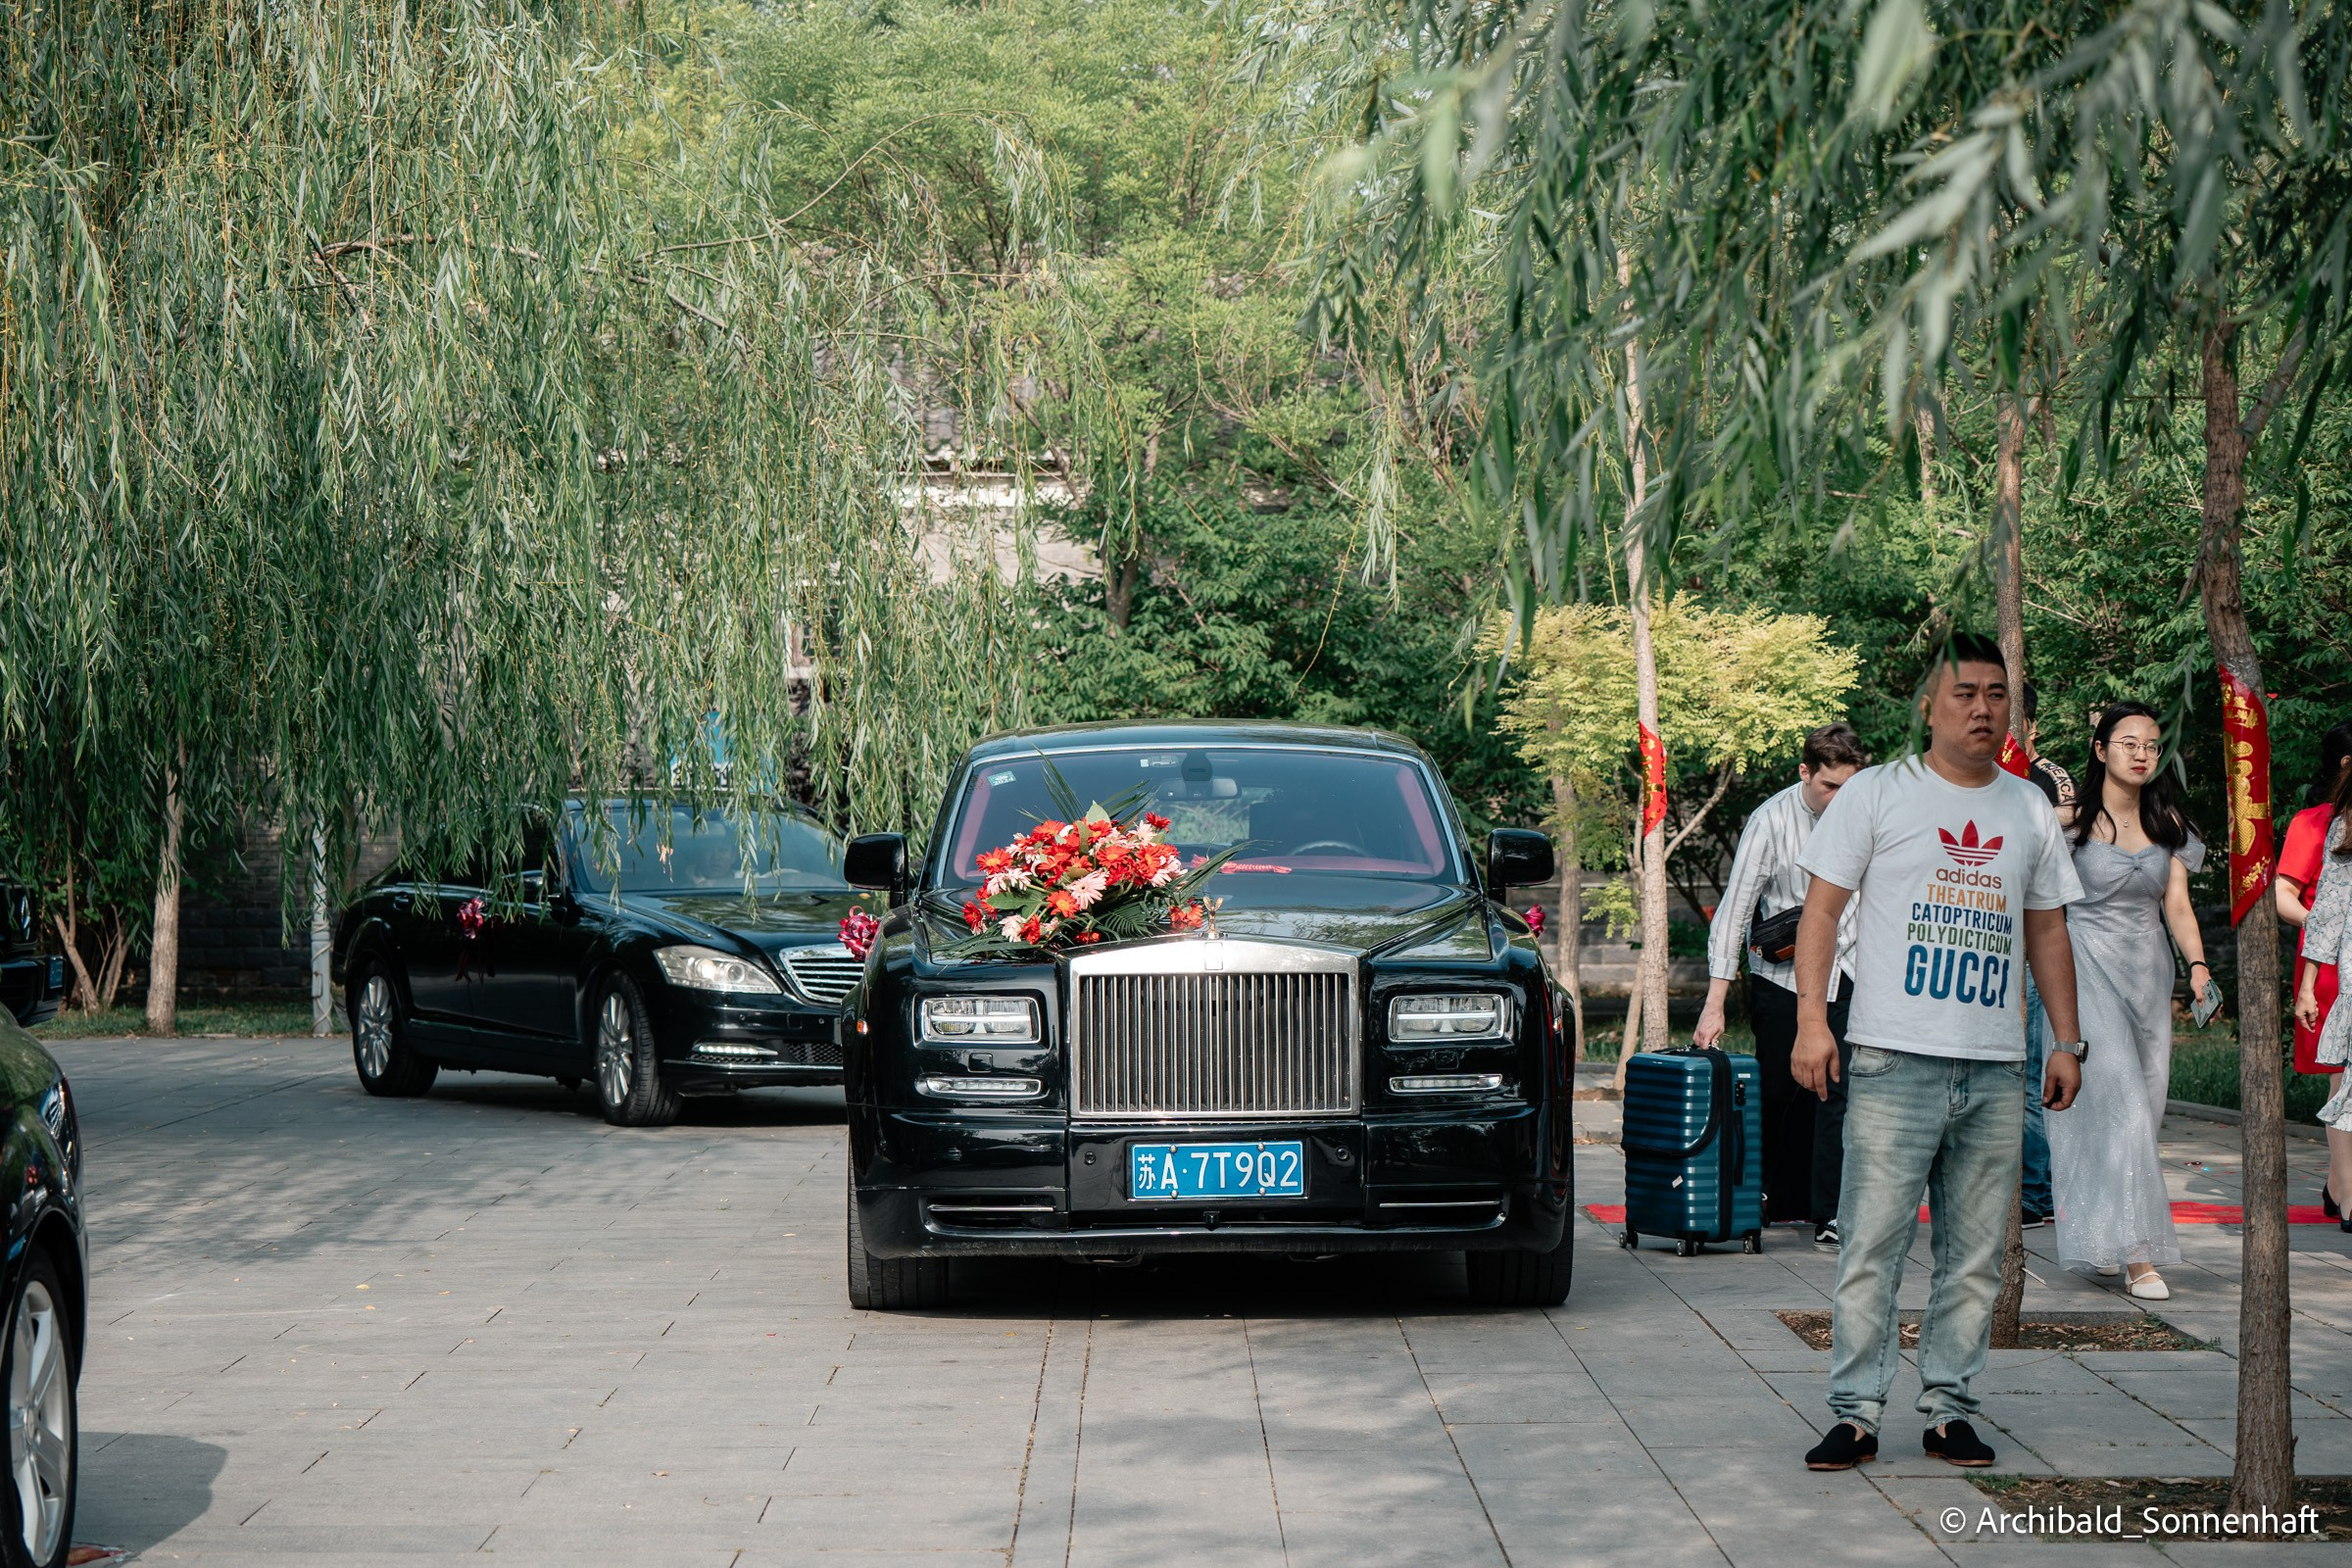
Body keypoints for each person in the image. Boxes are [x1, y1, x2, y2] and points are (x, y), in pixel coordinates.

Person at [1788, 633, 2084, 1473]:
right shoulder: (1877, 793)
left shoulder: (2028, 808)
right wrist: (1813, 1022)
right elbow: (1820, 913)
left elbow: (2048, 931)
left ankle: (1950, 1409)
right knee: (1870, 1249)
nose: (1983, 708)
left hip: (1994, 1066)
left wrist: (2066, 1042)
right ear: (1929, 706)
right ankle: (1854, 1414)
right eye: (1965, 693)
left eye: (1997, 693)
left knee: (1974, 1257)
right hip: (1893, 1060)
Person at [2043, 702, 2207, 1299]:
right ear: (2101, 750)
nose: (2141, 754)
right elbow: (2042, 907)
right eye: (2128, 742)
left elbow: (2177, 906)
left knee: (2144, 1110)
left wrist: (2198, 967)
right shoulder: (2068, 824)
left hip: (2149, 975)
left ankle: (2103, 1236)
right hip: (2085, 972)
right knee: (2124, 1111)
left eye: (2151, 745)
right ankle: (2141, 1256)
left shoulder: (2169, 823)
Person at [1695, 723, 1869, 1246]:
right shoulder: (1770, 820)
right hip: (1783, 979)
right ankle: (1770, 1195)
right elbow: (1735, 912)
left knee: (1838, 1091)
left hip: (1853, 972)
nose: (1839, 798)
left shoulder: (1866, 815)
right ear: (1804, 773)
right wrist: (1714, 1003)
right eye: (1829, 786)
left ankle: (1832, 1212)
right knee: (1780, 1092)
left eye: (1849, 787)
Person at [2278, 722, 2352, 1218]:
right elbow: (2284, 895)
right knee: (2340, 1078)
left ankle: (2336, 1183)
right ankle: (2346, 1192)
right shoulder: (2315, 822)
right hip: (2329, 966)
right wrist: (2331, 927)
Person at [2016, 681, 2078, 1229]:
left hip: (2038, 932)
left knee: (2034, 1065)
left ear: (2030, 726)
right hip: (1995, 937)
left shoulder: (2048, 776)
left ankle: (2037, 1192)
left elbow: (2067, 818)